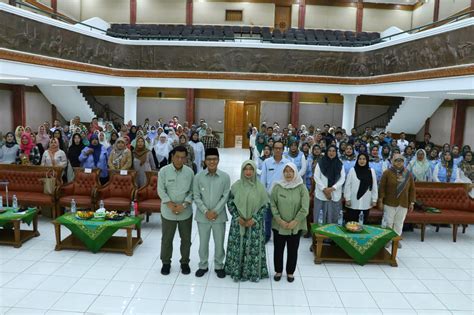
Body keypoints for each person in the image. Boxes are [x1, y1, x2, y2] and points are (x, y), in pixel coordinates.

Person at [225, 160, 269, 282]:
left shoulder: (260, 187)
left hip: (255, 225)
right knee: (237, 246)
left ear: (255, 171)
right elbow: (230, 202)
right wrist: (237, 217)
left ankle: (252, 272)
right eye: (246, 169)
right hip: (238, 223)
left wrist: (254, 219)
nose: (248, 172)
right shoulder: (236, 186)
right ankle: (236, 270)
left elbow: (265, 206)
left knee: (252, 248)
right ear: (242, 171)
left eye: (251, 169)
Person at [193, 148, 231, 278]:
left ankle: (219, 265)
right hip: (203, 217)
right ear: (205, 161)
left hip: (219, 216)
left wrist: (215, 211)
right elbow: (196, 196)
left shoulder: (225, 177)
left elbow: (225, 196)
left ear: (218, 160)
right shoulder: (198, 177)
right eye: (209, 159)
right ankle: (203, 265)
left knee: (219, 242)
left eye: (214, 159)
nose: (212, 162)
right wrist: (205, 211)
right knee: (203, 242)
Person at [157, 146, 194, 276]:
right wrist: (171, 205)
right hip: (168, 211)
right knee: (167, 239)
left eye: (183, 157)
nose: (180, 160)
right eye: (177, 157)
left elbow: (192, 191)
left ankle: (185, 262)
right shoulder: (164, 171)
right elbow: (161, 190)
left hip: (185, 211)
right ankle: (166, 263)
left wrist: (183, 205)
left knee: (186, 239)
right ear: (172, 156)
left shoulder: (189, 172)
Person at [270, 162, 309, 283]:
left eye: (291, 171)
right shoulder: (277, 187)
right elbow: (273, 204)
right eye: (286, 171)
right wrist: (279, 220)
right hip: (279, 225)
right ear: (282, 173)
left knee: (293, 250)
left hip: (295, 226)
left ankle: (290, 272)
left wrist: (295, 221)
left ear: (295, 173)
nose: (288, 173)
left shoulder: (301, 187)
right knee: (278, 249)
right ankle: (278, 271)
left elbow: (305, 208)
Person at [378, 154, 416, 247]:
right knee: (388, 222)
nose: (399, 162)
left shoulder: (408, 174)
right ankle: (387, 240)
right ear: (392, 161)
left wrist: (411, 202)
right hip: (389, 202)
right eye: (396, 160)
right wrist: (380, 201)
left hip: (403, 203)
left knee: (399, 223)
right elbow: (382, 188)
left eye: (401, 161)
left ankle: (396, 240)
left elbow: (412, 189)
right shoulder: (387, 172)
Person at [260, 141, 290, 242]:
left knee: (281, 217)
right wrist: (263, 194)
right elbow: (263, 179)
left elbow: (290, 179)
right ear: (273, 149)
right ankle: (267, 235)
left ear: (283, 150)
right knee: (267, 218)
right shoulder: (267, 162)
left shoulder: (287, 163)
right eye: (276, 148)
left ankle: (280, 236)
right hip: (269, 196)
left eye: (280, 148)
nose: (277, 150)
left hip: (283, 196)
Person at [313, 145, 345, 224]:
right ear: (327, 152)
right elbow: (316, 177)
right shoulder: (320, 163)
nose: (331, 153)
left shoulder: (340, 164)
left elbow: (342, 178)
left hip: (334, 194)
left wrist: (332, 188)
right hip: (321, 194)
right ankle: (319, 235)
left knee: (334, 217)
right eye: (329, 151)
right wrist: (324, 189)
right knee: (320, 217)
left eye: (333, 151)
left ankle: (332, 235)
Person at [343, 153, 378, 223]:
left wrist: (374, 199)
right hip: (353, 202)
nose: (362, 161)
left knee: (363, 224)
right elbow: (347, 185)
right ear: (357, 160)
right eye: (360, 159)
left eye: (364, 159)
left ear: (367, 160)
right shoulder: (352, 170)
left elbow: (374, 186)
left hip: (366, 202)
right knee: (351, 224)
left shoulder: (371, 171)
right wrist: (347, 198)